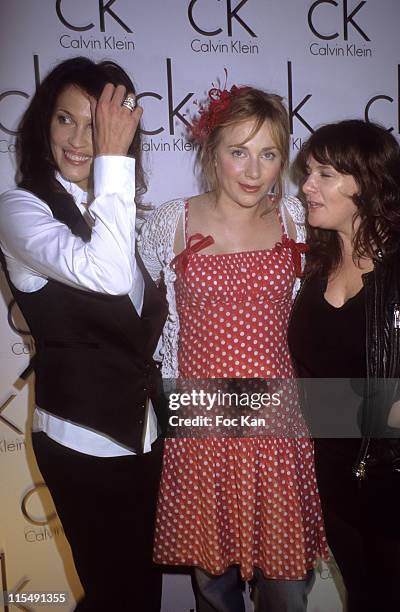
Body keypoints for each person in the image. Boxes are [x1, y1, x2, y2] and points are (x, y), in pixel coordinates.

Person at [138, 85, 328, 612]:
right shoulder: (167, 224)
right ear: (210, 150)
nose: (253, 170)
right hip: (201, 424)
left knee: (288, 590)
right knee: (213, 590)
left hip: (278, 424)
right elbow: (143, 325)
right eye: (238, 151)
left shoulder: (297, 218)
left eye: (268, 154)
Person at [0, 57, 168, 612]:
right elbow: (108, 275)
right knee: (115, 594)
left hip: (144, 437)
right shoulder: (19, 209)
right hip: (81, 441)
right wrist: (114, 161)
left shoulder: (120, 213)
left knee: (141, 590)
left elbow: (137, 325)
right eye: (65, 119)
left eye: (96, 124)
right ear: (42, 125)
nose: (78, 139)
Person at [288, 119, 400, 612]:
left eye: (325, 174)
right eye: (308, 172)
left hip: (396, 483)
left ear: (368, 182)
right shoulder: (315, 266)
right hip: (335, 481)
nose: (307, 186)